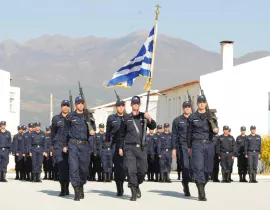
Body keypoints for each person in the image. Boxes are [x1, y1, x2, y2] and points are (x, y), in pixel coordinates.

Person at [119, 96, 156, 201]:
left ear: (139, 105)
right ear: (131, 105)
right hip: (129, 148)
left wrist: (149, 118)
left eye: (137, 103)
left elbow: (153, 126)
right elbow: (121, 134)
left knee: (143, 171)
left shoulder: (144, 116)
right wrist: (120, 147)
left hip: (142, 148)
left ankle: (136, 184)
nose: (136, 105)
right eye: (134, 103)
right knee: (131, 170)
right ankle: (133, 192)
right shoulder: (126, 118)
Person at [187, 95, 218, 201]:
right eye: (199, 102)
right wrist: (189, 146)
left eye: (203, 102)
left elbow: (216, 129)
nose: (201, 103)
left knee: (208, 169)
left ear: (205, 103)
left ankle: (201, 183)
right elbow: (189, 133)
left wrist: (215, 128)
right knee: (199, 167)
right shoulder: (192, 117)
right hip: (197, 144)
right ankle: (201, 193)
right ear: (197, 104)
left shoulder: (211, 115)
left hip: (209, 144)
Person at [66, 96, 95, 201]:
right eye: (78, 103)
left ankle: (81, 184)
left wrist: (92, 131)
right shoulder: (70, 116)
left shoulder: (88, 115)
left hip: (84, 146)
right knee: (73, 168)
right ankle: (76, 190)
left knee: (84, 169)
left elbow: (93, 128)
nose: (80, 105)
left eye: (82, 103)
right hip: (73, 145)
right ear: (75, 104)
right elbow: (65, 131)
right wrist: (65, 145)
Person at [105, 99, 126, 196]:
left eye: (122, 105)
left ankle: (131, 184)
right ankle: (119, 187)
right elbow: (108, 132)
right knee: (118, 167)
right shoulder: (111, 118)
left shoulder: (128, 117)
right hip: (115, 146)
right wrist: (108, 144)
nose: (121, 107)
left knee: (125, 167)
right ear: (116, 107)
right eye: (119, 106)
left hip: (126, 145)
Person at [172, 101, 193, 196]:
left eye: (189, 106)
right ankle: (186, 185)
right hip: (182, 146)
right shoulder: (177, 120)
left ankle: (193, 181)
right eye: (185, 107)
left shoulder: (195, 119)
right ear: (183, 108)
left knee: (194, 167)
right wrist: (174, 149)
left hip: (194, 146)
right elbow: (174, 135)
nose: (187, 108)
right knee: (185, 167)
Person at [51, 100, 71, 195]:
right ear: (61, 107)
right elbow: (53, 133)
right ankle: (62, 188)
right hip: (58, 145)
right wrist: (52, 147)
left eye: (67, 105)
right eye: (64, 105)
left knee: (69, 167)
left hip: (69, 145)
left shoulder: (72, 117)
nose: (65, 107)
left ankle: (67, 187)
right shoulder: (56, 118)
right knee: (61, 167)